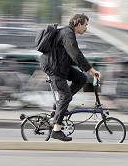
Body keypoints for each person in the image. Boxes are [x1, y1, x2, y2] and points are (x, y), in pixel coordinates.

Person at [39, 13, 101, 141]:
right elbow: (75, 54)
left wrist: (86, 69)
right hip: (54, 68)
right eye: (86, 25)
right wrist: (90, 70)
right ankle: (56, 129)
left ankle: (60, 106)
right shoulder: (68, 34)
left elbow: (70, 55)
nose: (86, 28)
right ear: (78, 24)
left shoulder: (68, 33)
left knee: (81, 79)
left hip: (61, 66)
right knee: (66, 96)